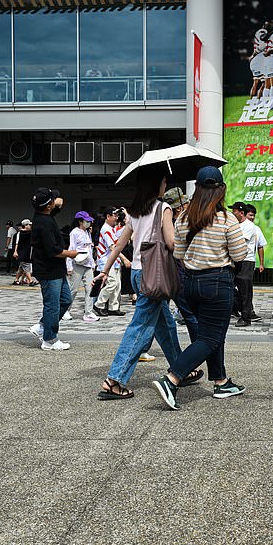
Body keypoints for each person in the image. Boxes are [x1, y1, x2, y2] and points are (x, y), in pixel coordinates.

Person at [150, 166, 248, 410]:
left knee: (212, 335)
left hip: (190, 283)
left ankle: (221, 381)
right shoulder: (227, 219)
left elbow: (179, 253)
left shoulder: (183, 218)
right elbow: (240, 254)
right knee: (210, 337)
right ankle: (171, 378)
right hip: (217, 283)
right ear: (221, 190)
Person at [94, 170, 182, 397]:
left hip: (137, 273)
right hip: (154, 275)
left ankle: (182, 367)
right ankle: (115, 379)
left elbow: (119, 244)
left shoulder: (135, 211)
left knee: (166, 323)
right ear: (157, 184)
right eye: (164, 180)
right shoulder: (163, 208)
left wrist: (104, 271)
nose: (165, 184)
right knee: (141, 327)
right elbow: (172, 244)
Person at [28, 188, 78, 350]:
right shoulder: (44, 223)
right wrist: (72, 254)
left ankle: (42, 325)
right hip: (48, 270)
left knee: (65, 300)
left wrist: (52, 198)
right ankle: (49, 339)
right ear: (48, 205)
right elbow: (54, 251)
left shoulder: (43, 215)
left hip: (55, 269)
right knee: (52, 305)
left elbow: (59, 201)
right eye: (51, 200)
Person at [229, 201, 261, 327]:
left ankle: (246, 317)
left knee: (245, 290)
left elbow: (239, 242)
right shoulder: (235, 224)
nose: (232, 213)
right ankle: (239, 310)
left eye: (234, 211)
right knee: (234, 288)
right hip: (236, 261)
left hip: (246, 261)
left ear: (241, 213)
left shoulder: (248, 226)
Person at [65, 211, 100, 323]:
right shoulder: (74, 233)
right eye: (86, 221)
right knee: (73, 290)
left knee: (90, 289)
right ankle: (65, 310)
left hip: (88, 265)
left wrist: (93, 264)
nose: (89, 223)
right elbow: (71, 248)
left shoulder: (87, 233)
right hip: (77, 264)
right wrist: (69, 266)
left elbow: (89, 250)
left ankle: (88, 313)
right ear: (80, 221)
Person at [93, 208, 128, 317]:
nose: (117, 218)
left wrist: (126, 218)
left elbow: (123, 233)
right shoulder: (106, 229)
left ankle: (113, 307)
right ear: (108, 216)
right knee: (112, 283)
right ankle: (99, 304)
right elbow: (113, 247)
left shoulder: (111, 228)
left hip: (113, 261)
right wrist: (124, 259)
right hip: (106, 261)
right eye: (115, 215)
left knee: (117, 285)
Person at [13, 219, 36, 286]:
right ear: (25, 225)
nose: (30, 226)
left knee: (21, 268)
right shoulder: (25, 233)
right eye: (29, 225)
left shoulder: (22, 233)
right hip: (24, 253)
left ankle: (16, 280)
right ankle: (30, 280)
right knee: (26, 267)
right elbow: (17, 243)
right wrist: (15, 251)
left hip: (24, 253)